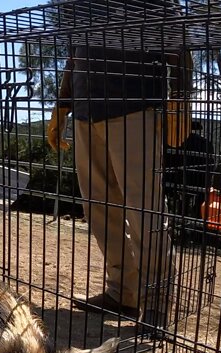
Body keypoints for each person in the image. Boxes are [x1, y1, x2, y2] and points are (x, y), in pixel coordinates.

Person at [46, 0, 192, 322]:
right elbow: (75, 57)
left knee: (144, 207)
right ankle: (121, 293)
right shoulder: (77, 6)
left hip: (135, 108)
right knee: (97, 206)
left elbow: (179, 50)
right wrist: (62, 105)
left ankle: (157, 300)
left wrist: (181, 99)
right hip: (86, 112)